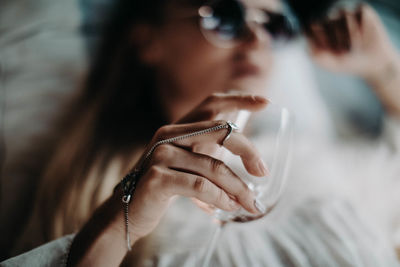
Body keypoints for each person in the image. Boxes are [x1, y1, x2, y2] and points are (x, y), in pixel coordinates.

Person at [1, 0, 400, 266]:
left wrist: (387, 75)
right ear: (148, 40)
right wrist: (120, 220)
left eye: (274, 25)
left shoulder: (319, 160)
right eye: (225, 17)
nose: (256, 38)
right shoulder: (91, 190)